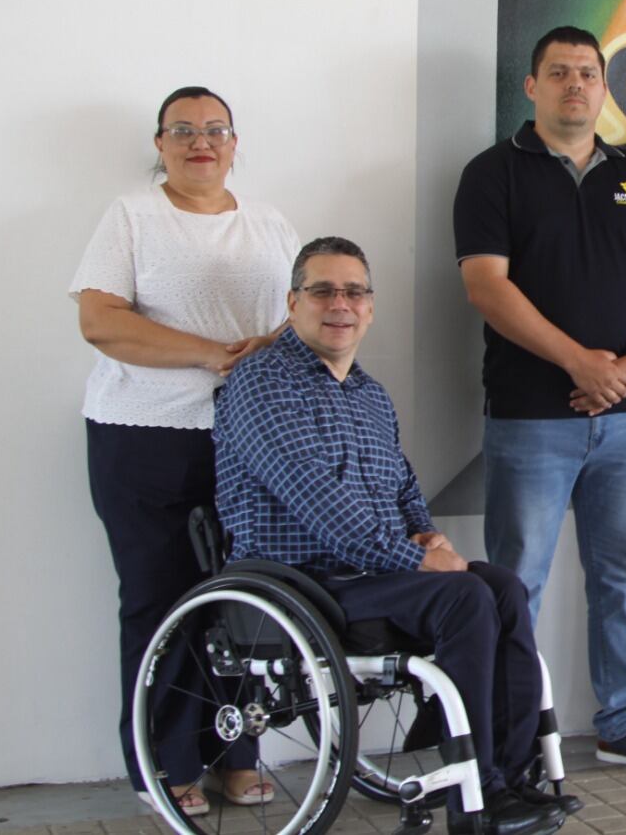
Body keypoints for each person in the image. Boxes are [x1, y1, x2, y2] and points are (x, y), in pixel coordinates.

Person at [213, 237, 572, 835]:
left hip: (372, 574)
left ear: (370, 307)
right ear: (293, 303)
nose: (340, 304)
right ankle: (476, 797)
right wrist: (414, 559)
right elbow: (321, 504)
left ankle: (511, 778)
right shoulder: (263, 384)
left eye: (354, 291)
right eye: (323, 290)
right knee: (465, 597)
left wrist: (428, 537)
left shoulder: (369, 395)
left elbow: (402, 486)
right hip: (302, 582)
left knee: (503, 588)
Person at [453, 26, 626, 776]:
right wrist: (579, 362)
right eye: (558, 72)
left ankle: (623, 722)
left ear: (603, 86)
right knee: (517, 583)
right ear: (532, 86)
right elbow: (485, 286)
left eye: (588, 73)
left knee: (621, 576)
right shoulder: (493, 173)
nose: (575, 85)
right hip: (532, 417)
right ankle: (511, 742)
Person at [71, 86, 296, 815]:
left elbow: (301, 316)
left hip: (248, 439)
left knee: (245, 598)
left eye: (216, 129)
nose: (201, 141)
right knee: (161, 601)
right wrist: (211, 353)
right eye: (183, 130)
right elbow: (101, 322)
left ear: (235, 143)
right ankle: (164, 764)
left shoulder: (269, 223)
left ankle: (239, 754)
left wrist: (269, 347)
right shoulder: (132, 216)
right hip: (144, 437)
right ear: (160, 144)